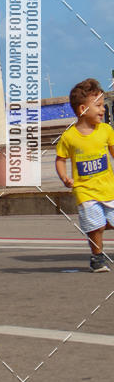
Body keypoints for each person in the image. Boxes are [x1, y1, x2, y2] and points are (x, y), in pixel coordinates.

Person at [56, 78, 114, 272]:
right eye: (97, 106)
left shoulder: (106, 130)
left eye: (102, 105)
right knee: (95, 227)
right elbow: (60, 159)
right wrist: (64, 177)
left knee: (105, 223)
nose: (103, 109)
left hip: (108, 188)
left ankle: (97, 225)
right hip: (85, 191)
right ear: (82, 109)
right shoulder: (69, 137)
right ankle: (97, 257)